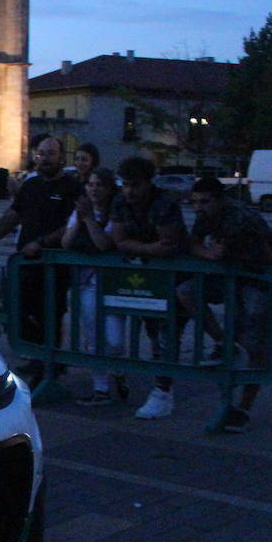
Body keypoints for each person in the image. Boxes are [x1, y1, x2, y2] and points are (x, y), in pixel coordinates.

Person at [182, 175, 272, 432]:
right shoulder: (206, 216)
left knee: (253, 341)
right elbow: (193, 243)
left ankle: (244, 407)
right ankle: (222, 341)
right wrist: (211, 254)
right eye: (195, 202)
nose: (198, 208)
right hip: (232, 273)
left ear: (219, 199)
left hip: (258, 277)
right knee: (186, 292)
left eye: (204, 202)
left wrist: (226, 254)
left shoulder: (241, 218)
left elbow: (267, 255)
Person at [0, 134, 80, 387]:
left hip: (53, 265)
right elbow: (13, 216)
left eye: (50, 154)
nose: (44, 159)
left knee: (49, 316)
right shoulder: (31, 185)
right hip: (25, 264)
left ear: (61, 157)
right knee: (18, 313)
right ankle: (39, 357)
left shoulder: (71, 187)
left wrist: (43, 243)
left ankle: (49, 368)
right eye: (40, 154)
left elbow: (71, 224)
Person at [107, 155, 188, 419]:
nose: (129, 191)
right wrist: (148, 250)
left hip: (176, 277)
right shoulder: (121, 202)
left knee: (166, 334)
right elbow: (119, 240)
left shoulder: (164, 203)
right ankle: (161, 388)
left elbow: (170, 244)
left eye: (135, 185)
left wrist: (138, 248)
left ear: (148, 183)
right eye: (125, 185)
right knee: (154, 331)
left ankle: (163, 390)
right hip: (147, 278)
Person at [62, 167, 126, 404]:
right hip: (86, 283)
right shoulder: (78, 213)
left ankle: (117, 367)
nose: (94, 189)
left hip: (112, 283)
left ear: (110, 189)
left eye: (99, 185)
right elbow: (66, 242)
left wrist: (89, 218)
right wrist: (80, 220)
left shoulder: (116, 213)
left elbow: (104, 244)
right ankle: (100, 387)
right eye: (90, 184)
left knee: (115, 339)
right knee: (93, 335)